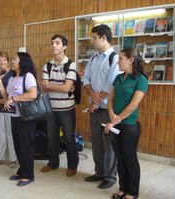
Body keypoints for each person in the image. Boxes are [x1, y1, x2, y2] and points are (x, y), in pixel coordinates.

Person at [104, 48, 148, 199]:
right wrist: (111, 113)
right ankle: (123, 188)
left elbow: (133, 105)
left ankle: (132, 192)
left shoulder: (140, 79)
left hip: (130, 125)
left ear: (130, 60)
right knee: (120, 159)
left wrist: (115, 120)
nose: (117, 62)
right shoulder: (118, 78)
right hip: (115, 123)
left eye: (121, 58)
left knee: (130, 160)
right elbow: (111, 99)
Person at [83, 24, 120, 188]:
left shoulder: (115, 58)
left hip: (106, 109)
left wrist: (96, 101)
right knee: (97, 144)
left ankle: (110, 177)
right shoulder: (93, 58)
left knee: (109, 146)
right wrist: (92, 97)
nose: (91, 41)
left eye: (94, 37)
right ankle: (99, 172)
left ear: (104, 38)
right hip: (94, 108)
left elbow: (111, 83)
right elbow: (86, 80)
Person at [0, 52, 37, 186]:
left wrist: (14, 98)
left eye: (14, 59)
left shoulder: (28, 76)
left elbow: (32, 94)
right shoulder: (13, 78)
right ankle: (22, 170)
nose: (12, 62)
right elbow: (7, 96)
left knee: (26, 146)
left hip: (27, 117)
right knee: (18, 145)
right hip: (14, 116)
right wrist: (0, 85)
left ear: (22, 62)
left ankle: (28, 175)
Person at [40, 34, 79, 177]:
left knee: (69, 138)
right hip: (51, 108)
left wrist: (53, 86)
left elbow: (67, 88)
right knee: (52, 137)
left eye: (57, 43)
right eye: (52, 43)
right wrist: (61, 86)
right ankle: (53, 163)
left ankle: (72, 165)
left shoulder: (71, 64)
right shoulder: (47, 65)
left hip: (67, 109)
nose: (53, 45)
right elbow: (44, 87)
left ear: (64, 47)